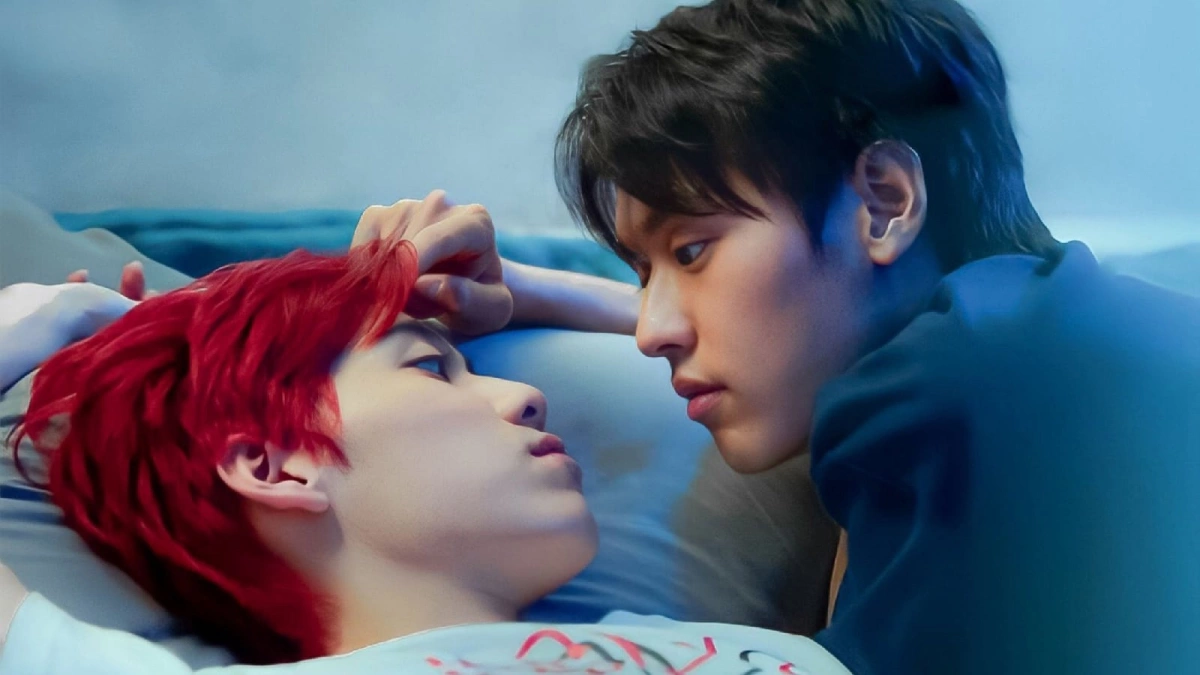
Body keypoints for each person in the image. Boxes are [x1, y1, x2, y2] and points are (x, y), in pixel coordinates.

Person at [346, 1, 1200, 673]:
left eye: (691, 250)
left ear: (884, 202)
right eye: (643, 274)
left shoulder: (944, 397)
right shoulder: (1037, 326)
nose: (651, 332)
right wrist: (530, 289)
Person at [0, 239, 852, 674]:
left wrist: (530, 288)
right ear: (272, 466)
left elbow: (839, 358)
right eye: (430, 367)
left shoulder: (718, 646)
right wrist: (47, 320)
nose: (525, 394)